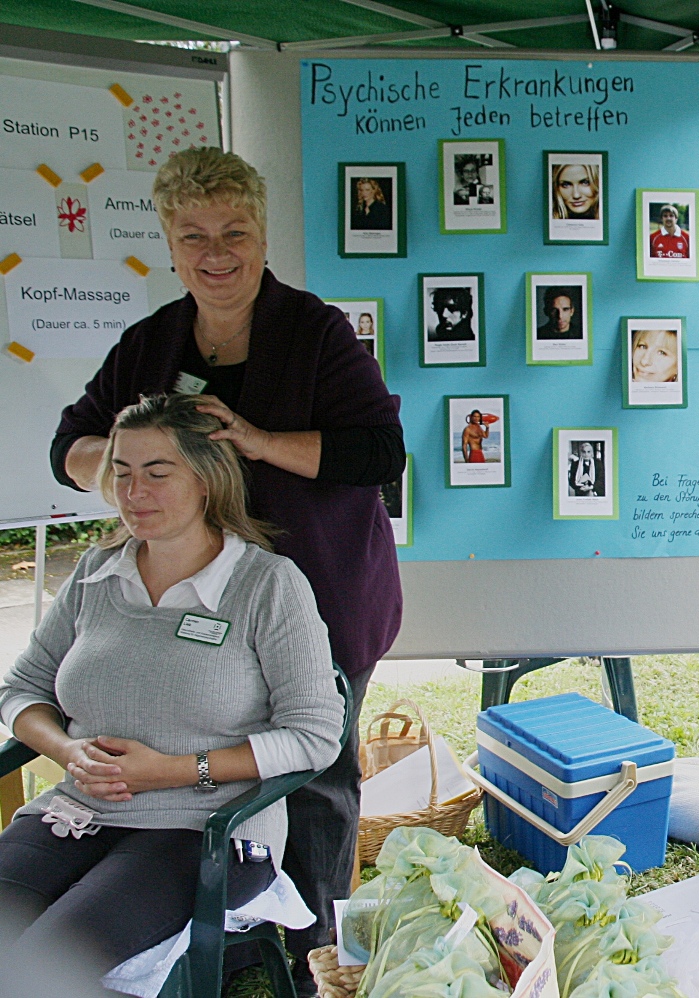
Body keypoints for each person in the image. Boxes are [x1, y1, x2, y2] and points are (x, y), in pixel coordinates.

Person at [51, 147, 404, 995]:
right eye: (195, 234)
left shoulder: (314, 332)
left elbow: (378, 451)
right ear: (170, 245)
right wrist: (138, 464)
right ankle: (201, 917)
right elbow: (70, 446)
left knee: (311, 774)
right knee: (198, 763)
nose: (217, 252)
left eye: (235, 232)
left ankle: (315, 947)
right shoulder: (149, 344)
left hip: (315, 593)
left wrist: (248, 438)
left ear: (262, 235)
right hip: (188, 607)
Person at [0, 394, 343, 993]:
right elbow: (21, 690)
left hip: (205, 832)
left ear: (207, 479)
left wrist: (176, 770)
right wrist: (66, 751)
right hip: (78, 815)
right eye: (122, 472)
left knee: (39, 967)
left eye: (158, 473)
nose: (135, 492)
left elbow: (315, 736)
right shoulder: (96, 571)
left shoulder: (267, 584)